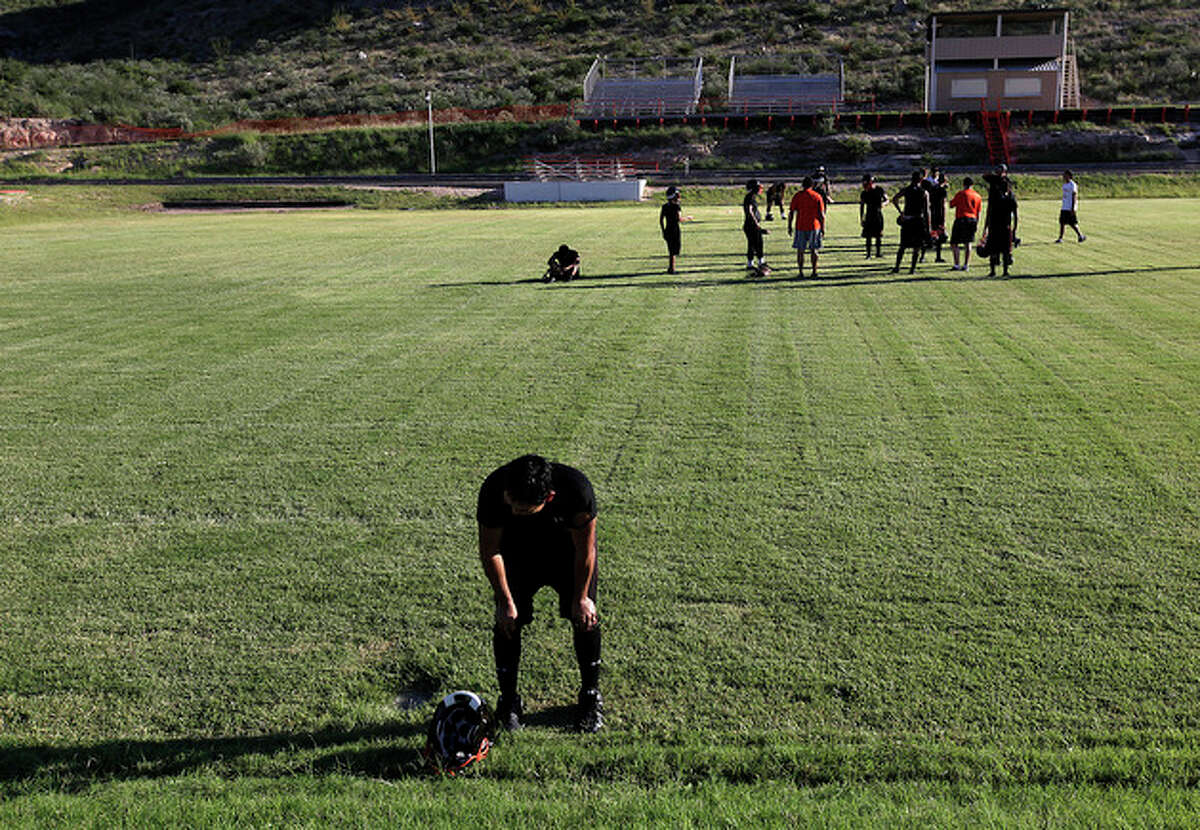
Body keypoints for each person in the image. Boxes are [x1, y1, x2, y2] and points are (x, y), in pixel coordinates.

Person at [477, 454, 603, 733]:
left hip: (567, 554)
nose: (517, 512)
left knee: (585, 618)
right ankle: (509, 701)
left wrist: (582, 598)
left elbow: (586, 549)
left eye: (525, 510)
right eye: (514, 508)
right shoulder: (494, 489)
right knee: (507, 622)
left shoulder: (577, 489)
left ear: (549, 497)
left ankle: (590, 697)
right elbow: (490, 550)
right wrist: (504, 600)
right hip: (517, 555)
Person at [891, 170, 930, 275]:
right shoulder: (924, 192)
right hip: (918, 220)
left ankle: (897, 267)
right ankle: (912, 269)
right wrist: (928, 227)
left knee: (903, 246)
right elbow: (927, 211)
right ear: (921, 179)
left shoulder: (906, 190)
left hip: (907, 220)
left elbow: (894, 199)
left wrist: (901, 212)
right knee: (917, 246)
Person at [788, 175, 826, 278]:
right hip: (814, 226)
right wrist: (823, 228)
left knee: (800, 250)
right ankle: (814, 271)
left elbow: (791, 212)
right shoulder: (817, 196)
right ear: (812, 185)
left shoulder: (797, 196)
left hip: (800, 226)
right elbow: (822, 215)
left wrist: (789, 226)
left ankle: (800, 272)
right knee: (814, 250)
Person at [981, 176, 1019, 277]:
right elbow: (1015, 215)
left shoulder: (994, 197)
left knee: (993, 250)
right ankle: (1005, 271)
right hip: (1006, 227)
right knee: (1006, 251)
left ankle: (993, 271)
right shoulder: (1011, 198)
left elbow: (989, 212)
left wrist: (986, 227)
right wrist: (1014, 228)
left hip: (994, 226)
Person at [947, 176, 983, 272]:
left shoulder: (961, 194)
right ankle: (966, 265)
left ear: (963, 184)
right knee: (968, 243)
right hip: (972, 219)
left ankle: (957, 264)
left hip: (961, 219)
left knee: (954, 243)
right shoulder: (978, 196)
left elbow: (951, 205)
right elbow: (978, 212)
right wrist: (976, 224)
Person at [742, 179, 769, 275]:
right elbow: (750, 211)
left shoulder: (751, 196)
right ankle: (761, 263)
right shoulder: (749, 197)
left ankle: (751, 264)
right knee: (758, 243)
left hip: (750, 225)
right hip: (751, 225)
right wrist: (757, 225)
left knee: (752, 244)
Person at [858, 174, 888, 258]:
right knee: (868, 236)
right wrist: (861, 218)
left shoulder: (879, 190)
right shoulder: (864, 193)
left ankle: (878, 253)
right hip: (869, 214)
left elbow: (887, 199)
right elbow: (862, 205)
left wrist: (883, 204)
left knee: (878, 235)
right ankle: (868, 254)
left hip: (878, 214)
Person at [923, 170, 949, 263]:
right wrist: (944, 220)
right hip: (939, 215)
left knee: (929, 235)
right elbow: (943, 205)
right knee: (940, 236)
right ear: (945, 181)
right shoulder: (943, 191)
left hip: (931, 213)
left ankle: (922, 256)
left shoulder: (932, 189)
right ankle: (938, 256)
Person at [1056, 170, 1086, 243]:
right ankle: (1060, 238)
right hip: (1064, 207)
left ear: (1069, 176)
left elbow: (1074, 196)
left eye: (1065, 175)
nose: (1063, 177)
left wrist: (1073, 208)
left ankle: (1080, 235)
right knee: (1062, 223)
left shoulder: (1072, 185)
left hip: (1070, 207)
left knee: (1072, 223)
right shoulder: (1064, 185)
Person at [659, 186, 683, 274]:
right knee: (674, 250)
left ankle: (671, 267)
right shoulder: (676, 206)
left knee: (671, 250)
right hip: (675, 229)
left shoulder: (664, 206)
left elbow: (661, 220)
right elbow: (679, 219)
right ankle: (672, 269)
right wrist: (688, 218)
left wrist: (663, 230)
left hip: (667, 229)